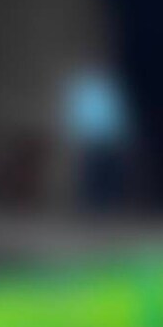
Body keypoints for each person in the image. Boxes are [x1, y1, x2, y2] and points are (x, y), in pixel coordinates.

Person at [58, 59, 134, 216]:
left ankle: (108, 208)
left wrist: (120, 136)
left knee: (109, 175)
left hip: (108, 138)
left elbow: (115, 113)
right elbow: (77, 112)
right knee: (91, 174)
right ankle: (91, 209)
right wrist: (76, 135)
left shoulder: (110, 89)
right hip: (91, 138)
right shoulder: (84, 89)